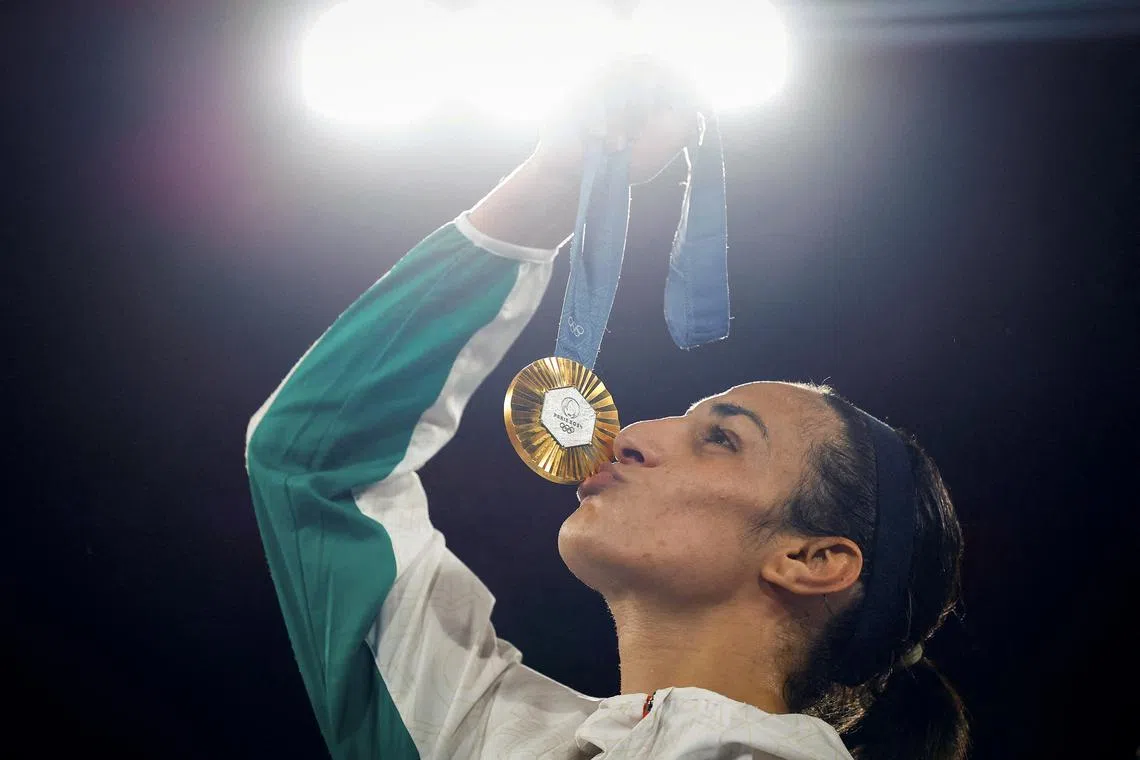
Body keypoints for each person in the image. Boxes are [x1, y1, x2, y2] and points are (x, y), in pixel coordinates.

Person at [245, 62, 969, 760]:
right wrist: (554, 186)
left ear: (811, 561)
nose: (629, 435)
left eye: (720, 438)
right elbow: (313, 463)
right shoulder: (484, 738)